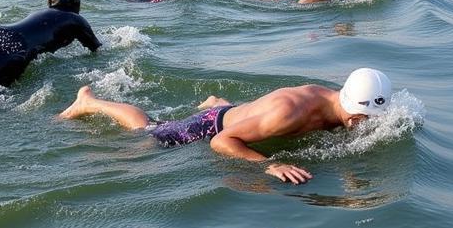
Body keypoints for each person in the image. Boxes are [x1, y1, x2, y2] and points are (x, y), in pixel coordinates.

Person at [57, 67, 393, 184]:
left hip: (243, 116)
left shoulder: (341, 104)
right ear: (354, 113)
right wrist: (269, 164)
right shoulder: (291, 113)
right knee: (147, 134)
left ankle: (222, 104)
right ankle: (90, 101)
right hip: (212, 127)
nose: (367, 127)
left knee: (241, 116)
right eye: (365, 122)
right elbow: (222, 143)